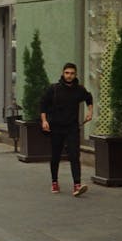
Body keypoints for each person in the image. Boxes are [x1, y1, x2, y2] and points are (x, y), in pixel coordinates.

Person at [40, 62, 94, 196]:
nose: (69, 76)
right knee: (56, 156)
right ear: (63, 73)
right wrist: (44, 121)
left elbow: (89, 98)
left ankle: (77, 185)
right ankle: (54, 182)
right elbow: (43, 105)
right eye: (67, 73)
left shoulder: (79, 90)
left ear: (75, 75)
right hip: (56, 127)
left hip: (72, 127)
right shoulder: (54, 89)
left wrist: (90, 112)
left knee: (75, 155)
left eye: (72, 73)